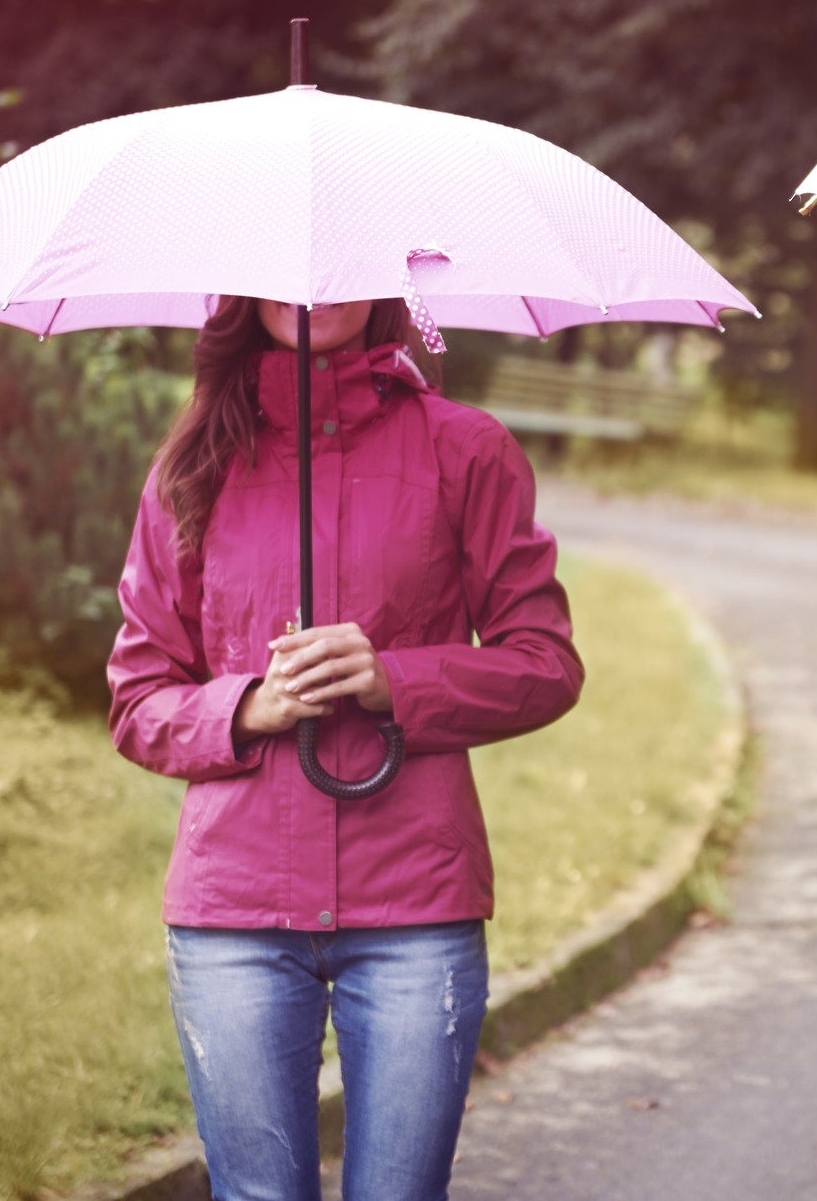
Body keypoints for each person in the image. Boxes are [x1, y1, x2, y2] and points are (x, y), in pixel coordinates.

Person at [107, 295, 583, 1201]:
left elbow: (545, 663)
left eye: (337, 268)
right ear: (240, 291)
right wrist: (250, 705)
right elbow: (137, 698)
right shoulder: (191, 466)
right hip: (234, 915)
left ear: (382, 285)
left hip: (414, 906)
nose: (310, 289)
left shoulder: (465, 450)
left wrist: (391, 678)